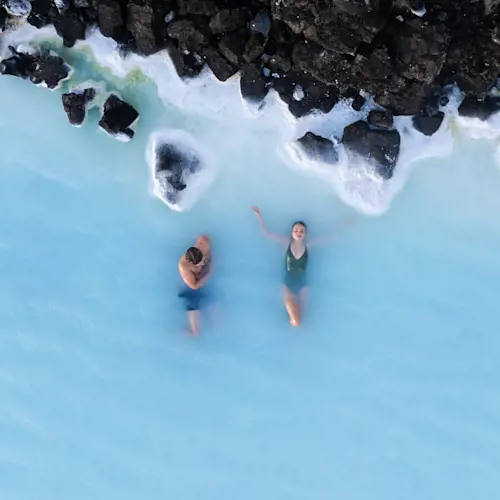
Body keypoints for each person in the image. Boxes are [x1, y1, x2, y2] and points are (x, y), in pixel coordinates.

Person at [251, 206, 355, 327]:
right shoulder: (286, 243)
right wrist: (259, 216)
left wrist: (344, 225)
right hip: (287, 283)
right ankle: (290, 332)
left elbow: (329, 238)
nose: (298, 233)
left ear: (305, 234)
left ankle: (300, 338)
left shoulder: (309, 246)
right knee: (295, 320)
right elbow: (267, 234)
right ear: (292, 232)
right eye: (296, 230)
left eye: (301, 231)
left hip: (303, 284)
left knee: (303, 320)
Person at [178, 234, 212, 335]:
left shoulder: (204, 243)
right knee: (195, 331)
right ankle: (185, 333)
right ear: (191, 264)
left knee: (220, 319)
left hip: (203, 281)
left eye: (203, 261)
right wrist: (209, 274)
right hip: (191, 290)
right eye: (199, 264)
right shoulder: (184, 267)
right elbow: (193, 286)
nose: (202, 264)